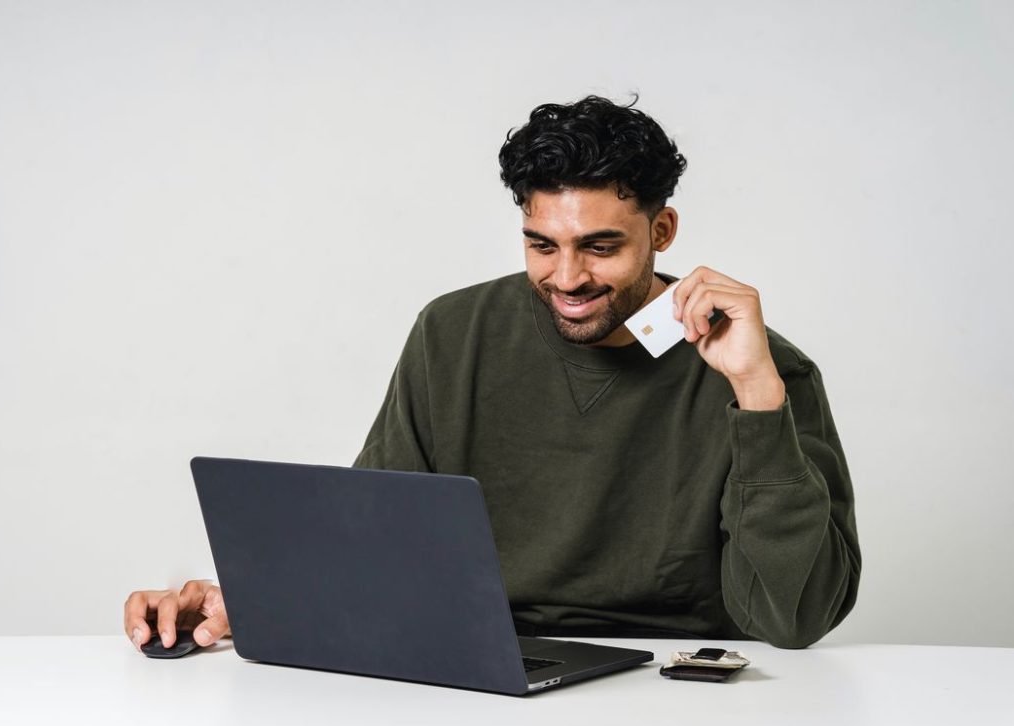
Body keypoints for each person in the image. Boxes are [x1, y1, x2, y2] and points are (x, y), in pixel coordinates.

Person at [125, 96, 860, 652]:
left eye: (600, 247)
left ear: (661, 232)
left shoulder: (765, 368)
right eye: (541, 245)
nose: (567, 277)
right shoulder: (455, 332)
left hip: (680, 677)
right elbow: (376, 540)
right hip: (483, 665)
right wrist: (248, 601)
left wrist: (757, 398)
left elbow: (794, 621)